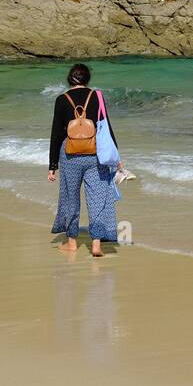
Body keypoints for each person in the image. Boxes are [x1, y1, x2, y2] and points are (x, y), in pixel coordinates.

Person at [48, 63, 121, 257]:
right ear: (88, 79)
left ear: (69, 79)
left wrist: (52, 165)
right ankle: (96, 244)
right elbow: (106, 128)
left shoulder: (61, 100)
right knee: (97, 198)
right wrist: (117, 157)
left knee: (70, 198)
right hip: (95, 153)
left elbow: (56, 133)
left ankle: (72, 243)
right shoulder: (97, 97)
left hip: (69, 155)